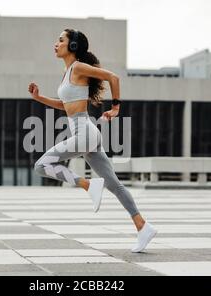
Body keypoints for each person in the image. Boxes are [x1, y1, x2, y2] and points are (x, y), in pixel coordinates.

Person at [28, 29, 156, 252]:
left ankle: (89, 185)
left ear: (73, 46)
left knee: (42, 165)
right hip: (87, 134)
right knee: (114, 184)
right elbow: (64, 105)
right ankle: (142, 226)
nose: (55, 44)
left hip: (85, 134)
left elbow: (112, 77)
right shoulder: (69, 72)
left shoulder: (77, 67)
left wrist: (116, 107)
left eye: (60, 40)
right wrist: (39, 98)